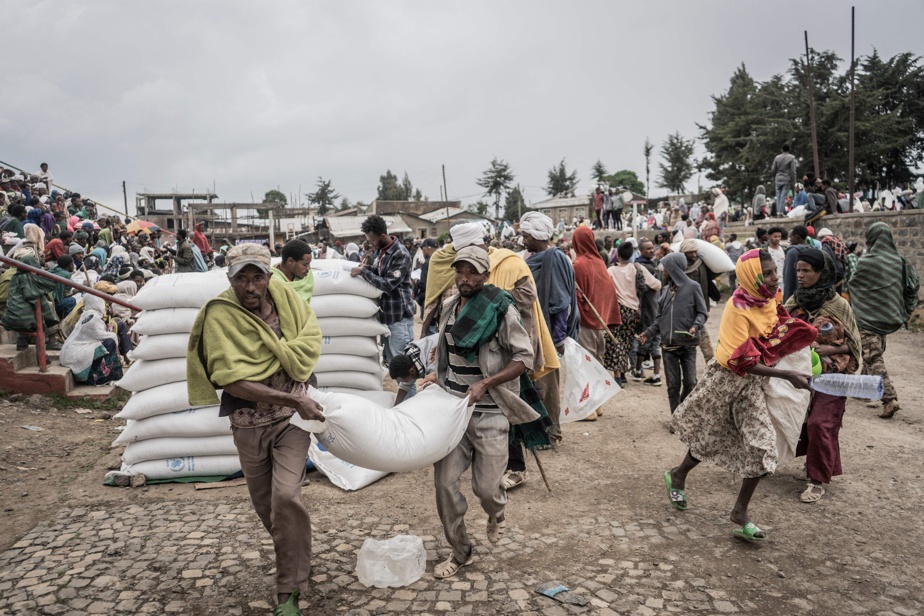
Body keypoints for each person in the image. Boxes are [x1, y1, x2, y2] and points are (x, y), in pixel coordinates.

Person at [186, 243, 323, 615]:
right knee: (267, 508)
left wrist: (297, 398)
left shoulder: (288, 303)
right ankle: (296, 556)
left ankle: (287, 591)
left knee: (286, 498)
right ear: (229, 279)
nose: (250, 287)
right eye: (241, 279)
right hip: (248, 425)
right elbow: (229, 380)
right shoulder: (220, 316)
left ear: (269, 277)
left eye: (257, 277)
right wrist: (296, 400)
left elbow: (309, 341)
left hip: (290, 423)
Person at [665, 249, 815, 541]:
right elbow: (740, 360)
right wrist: (787, 375)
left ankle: (740, 512)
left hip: (752, 386)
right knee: (709, 437)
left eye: (774, 272)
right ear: (751, 276)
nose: (774, 279)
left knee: (762, 446)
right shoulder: (737, 307)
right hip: (726, 380)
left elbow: (776, 329)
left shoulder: (769, 299)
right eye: (767, 274)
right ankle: (679, 474)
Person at [429, 246, 539, 580]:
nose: (465, 278)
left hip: (491, 412)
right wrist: (436, 375)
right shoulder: (449, 308)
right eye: (460, 271)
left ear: (485, 275)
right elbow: (446, 356)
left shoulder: (501, 309)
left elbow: (524, 358)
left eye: (472, 272)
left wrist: (486, 383)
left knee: (488, 490)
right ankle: (461, 550)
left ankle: (496, 514)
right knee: (445, 485)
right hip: (455, 412)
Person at [785, 249, 862, 503]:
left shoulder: (839, 305)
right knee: (803, 422)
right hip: (803, 375)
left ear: (821, 272)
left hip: (834, 374)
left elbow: (854, 344)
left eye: (807, 270)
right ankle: (816, 466)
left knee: (821, 422)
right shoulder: (795, 300)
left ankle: (816, 481)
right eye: (798, 270)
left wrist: (830, 348)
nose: (801, 275)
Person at [846, 222, 919, 419]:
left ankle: (889, 398)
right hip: (888, 316)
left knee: (873, 356)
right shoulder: (900, 261)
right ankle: (862, 388)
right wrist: (905, 310)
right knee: (872, 351)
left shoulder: (865, 262)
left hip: (867, 317)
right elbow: (913, 287)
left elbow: (853, 285)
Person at [637, 252, 708, 414]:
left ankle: (682, 410)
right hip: (668, 347)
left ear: (674, 268)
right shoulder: (665, 291)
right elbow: (660, 319)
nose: (663, 271)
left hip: (688, 345)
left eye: (666, 268)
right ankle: (676, 417)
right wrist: (647, 333)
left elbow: (702, 313)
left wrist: (695, 326)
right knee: (673, 385)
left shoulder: (693, 287)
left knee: (690, 382)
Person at [571, 225, 621, 418]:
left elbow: (575, 296)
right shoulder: (600, 263)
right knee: (597, 364)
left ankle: (589, 408)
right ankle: (597, 404)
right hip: (601, 322)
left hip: (586, 322)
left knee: (584, 365)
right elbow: (608, 292)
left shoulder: (578, 265)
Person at [350, 215, 415, 363]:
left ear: (383, 236)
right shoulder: (382, 251)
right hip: (387, 317)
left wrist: (363, 272)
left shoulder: (400, 254)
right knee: (391, 362)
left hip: (399, 318)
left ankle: (408, 388)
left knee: (402, 365)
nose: (371, 243)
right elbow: (381, 273)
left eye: (372, 240)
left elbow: (388, 284)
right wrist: (369, 268)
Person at [607, 241, 661, 385]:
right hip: (633, 311)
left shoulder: (611, 271)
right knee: (626, 342)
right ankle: (623, 372)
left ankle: (619, 375)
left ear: (617, 255)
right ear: (631, 255)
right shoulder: (637, 268)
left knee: (615, 342)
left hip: (616, 310)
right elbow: (656, 284)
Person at [1, 254, 62, 351]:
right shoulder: (28, 278)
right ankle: (50, 343)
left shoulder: (14, 277)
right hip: (21, 316)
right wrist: (41, 273)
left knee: (31, 306)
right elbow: (51, 283)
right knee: (43, 304)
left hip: (10, 314)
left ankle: (22, 340)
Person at [59, 295, 124, 385]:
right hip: (73, 355)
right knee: (110, 342)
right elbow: (99, 335)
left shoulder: (87, 314)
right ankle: (97, 378)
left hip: (69, 353)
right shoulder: (93, 317)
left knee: (107, 341)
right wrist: (114, 336)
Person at [630, 239, 664, 385]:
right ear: (641, 251)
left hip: (650, 309)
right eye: (648, 249)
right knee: (649, 340)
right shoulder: (645, 268)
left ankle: (640, 371)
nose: (651, 250)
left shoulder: (642, 265)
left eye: (652, 248)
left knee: (647, 340)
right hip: (649, 308)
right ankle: (651, 373)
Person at [679, 240, 716, 361]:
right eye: (690, 252)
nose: (694, 255)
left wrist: (704, 308)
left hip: (698, 307)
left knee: (702, 335)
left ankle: (711, 362)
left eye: (695, 251)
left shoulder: (700, 264)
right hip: (683, 309)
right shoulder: (678, 267)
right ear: (684, 253)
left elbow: (705, 285)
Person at [388, 333, 438, 405]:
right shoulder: (410, 359)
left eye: (405, 380)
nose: (406, 382)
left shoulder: (432, 362)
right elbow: (404, 386)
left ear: (412, 371)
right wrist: (395, 407)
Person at [272, 239, 314, 304]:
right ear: (290, 261)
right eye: (305, 264)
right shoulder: (272, 281)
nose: (309, 268)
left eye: (309, 264)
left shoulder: (307, 277)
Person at [782, 225, 810, 302]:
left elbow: (788, 279)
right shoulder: (811, 249)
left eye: (791, 237)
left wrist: (787, 301)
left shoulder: (792, 252)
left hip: (793, 297)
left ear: (797, 237)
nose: (789, 240)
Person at [415, 238, 439, 320]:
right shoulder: (441, 260)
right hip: (440, 299)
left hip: (429, 299)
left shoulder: (428, 263)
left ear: (427, 248)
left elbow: (424, 285)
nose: (422, 251)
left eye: (422, 248)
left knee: (430, 328)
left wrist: (417, 283)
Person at [771, 144, 797, 217]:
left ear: (782, 149)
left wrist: (775, 177)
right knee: (783, 196)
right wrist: (793, 181)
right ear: (788, 149)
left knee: (778, 195)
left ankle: (778, 212)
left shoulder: (777, 157)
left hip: (778, 178)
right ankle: (780, 212)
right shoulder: (791, 157)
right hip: (786, 178)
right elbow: (793, 171)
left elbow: (773, 169)